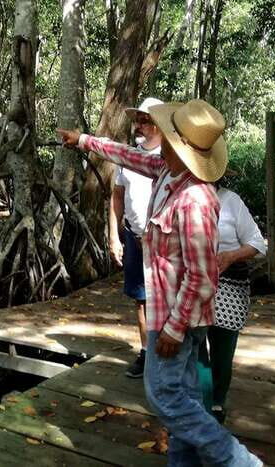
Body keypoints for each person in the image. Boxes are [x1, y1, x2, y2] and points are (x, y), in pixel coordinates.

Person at [58, 99, 261, 467]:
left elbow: (203, 276)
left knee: (164, 398)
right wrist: (84, 140)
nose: (158, 141)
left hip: (178, 319)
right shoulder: (169, 171)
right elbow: (128, 156)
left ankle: (240, 462)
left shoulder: (196, 199)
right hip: (168, 312)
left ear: (180, 145)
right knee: (184, 395)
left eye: (166, 136)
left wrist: (173, 328)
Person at [199, 182, 267, 424]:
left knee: (222, 352)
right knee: (196, 350)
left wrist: (231, 255)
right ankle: (202, 403)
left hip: (229, 288)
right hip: (192, 286)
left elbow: (258, 243)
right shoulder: (180, 197)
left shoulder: (231, 201)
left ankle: (216, 401)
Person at [108, 97, 164, 378]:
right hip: (133, 236)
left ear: (160, 124)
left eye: (146, 120)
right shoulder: (128, 157)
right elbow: (117, 197)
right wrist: (113, 235)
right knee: (141, 299)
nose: (139, 125)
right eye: (138, 120)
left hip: (164, 242)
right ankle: (146, 353)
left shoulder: (171, 157)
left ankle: (169, 353)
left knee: (166, 298)